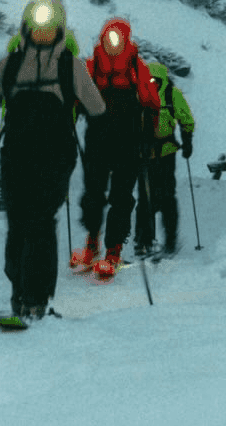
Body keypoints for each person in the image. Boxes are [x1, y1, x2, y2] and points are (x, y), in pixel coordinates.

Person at [0, 0, 105, 320]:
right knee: (18, 227)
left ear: (59, 31)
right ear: (26, 30)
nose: (42, 35)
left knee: (39, 223)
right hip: (16, 158)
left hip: (55, 158)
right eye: (36, 29)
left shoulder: (71, 67)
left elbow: (97, 110)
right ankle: (20, 297)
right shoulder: (9, 65)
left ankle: (35, 300)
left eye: (49, 30)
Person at [70, 18, 161, 278]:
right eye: (109, 36)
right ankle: (92, 244)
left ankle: (113, 250)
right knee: (93, 194)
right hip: (97, 140)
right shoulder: (92, 66)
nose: (113, 42)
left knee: (121, 196)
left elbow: (151, 102)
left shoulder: (136, 66)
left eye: (117, 37)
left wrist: (149, 136)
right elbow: (76, 98)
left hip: (128, 142)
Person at [134, 62, 195, 257]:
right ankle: (145, 241)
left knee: (165, 197)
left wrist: (187, 140)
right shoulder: (140, 94)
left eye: (156, 80)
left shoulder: (171, 94)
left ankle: (167, 240)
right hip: (145, 155)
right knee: (146, 198)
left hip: (165, 153)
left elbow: (186, 119)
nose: (153, 83)